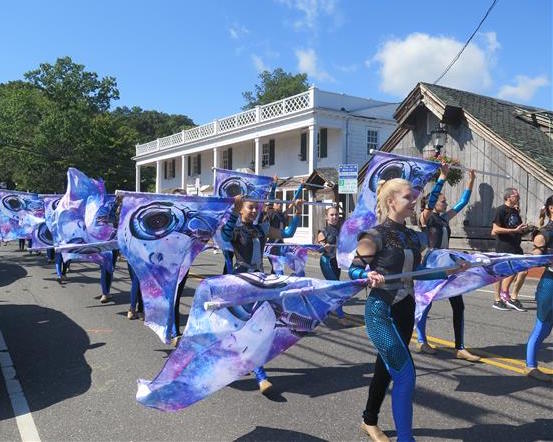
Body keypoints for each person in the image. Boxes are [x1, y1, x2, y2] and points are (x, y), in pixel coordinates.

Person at [349, 178, 462, 442]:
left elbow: (417, 273)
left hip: (405, 309)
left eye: (414, 197)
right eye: (408, 198)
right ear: (391, 202)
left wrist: (449, 270)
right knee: (406, 375)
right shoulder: (373, 236)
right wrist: (367, 275)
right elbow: (353, 269)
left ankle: (369, 420)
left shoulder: (412, 237)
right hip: (381, 311)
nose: (414, 202)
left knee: (386, 367)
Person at [221, 194, 303, 395]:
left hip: (261, 281)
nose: (254, 211)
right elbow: (224, 236)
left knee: (261, 326)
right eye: (249, 207)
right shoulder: (235, 230)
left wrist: (297, 213)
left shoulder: (260, 229)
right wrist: (233, 211)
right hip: (243, 282)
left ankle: (240, 360)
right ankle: (261, 376)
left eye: (256, 208)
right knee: (252, 327)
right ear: (241, 209)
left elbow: (288, 233)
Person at [415, 167, 480, 362]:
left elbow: (462, 202)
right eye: (443, 201)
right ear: (432, 203)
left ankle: (459, 347)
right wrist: (441, 178)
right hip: (431, 264)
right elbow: (433, 199)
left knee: (458, 305)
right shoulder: (425, 218)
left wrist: (471, 181)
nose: (446, 203)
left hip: (448, 264)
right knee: (426, 303)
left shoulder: (444, 218)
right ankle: (421, 340)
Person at [525, 196, 553, 382]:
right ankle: (531, 367)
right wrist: (538, 248)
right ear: (551, 208)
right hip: (550, 284)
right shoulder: (549, 230)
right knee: (542, 326)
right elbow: (540, 240)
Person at [491, 188, 528, 311]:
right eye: (516, 195)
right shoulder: (500, 210)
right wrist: (514, 230)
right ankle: (497, 300)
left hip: (516, 245)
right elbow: (495, 230)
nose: (518, 197)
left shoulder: (515, 211)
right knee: (500, 273)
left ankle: (512, 297)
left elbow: (517, 228)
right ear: (508, 197)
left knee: (523, 270)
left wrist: (525, 229)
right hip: (504, 245)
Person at [316, 206, 347, 322]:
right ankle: (341, 317)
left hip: (337, 263)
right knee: (337, 288)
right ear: (326, 217)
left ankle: (321, 306)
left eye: (336, 215)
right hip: (327, 262)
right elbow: (318, 249)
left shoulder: (341, 231)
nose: (334, 217)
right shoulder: (322, 232)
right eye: (332, 215)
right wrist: (324, 247)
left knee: (331, 289)